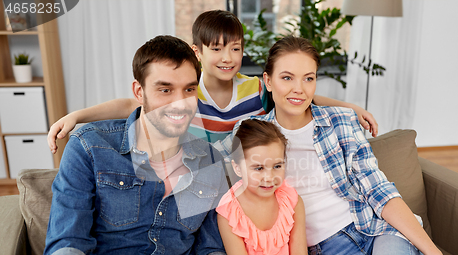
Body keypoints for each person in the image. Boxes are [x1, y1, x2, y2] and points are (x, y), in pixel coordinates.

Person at [215, 36, 458, 255]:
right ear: (267, 81)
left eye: (309, 78)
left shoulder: (341, 122)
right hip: (329, 254)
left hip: (379, 230)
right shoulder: (250, 133)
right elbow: (208, 156)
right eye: (287, 78)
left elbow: (381, 194)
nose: (299, 89)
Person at [13, 35, 251, 255]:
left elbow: (210, 250)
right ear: (139, 92)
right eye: (165, 90)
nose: (180, 103)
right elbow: (67, 248)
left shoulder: (211, 160)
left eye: (188, 90)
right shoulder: (90, 148)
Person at [46, 10, 378, 154]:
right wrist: (76, 116)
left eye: (235, 49)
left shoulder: (255, 88)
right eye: (216, 49)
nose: (227, 58)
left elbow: (300, 94)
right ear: (198, 52)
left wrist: (351, 107)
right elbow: (129, 103)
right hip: (201, 179)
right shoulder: (188, 91)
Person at [216, 119, 334, 255]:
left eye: (277, 166)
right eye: (258, 168)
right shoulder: (228, 212)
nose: (269, 177)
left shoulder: (292, 200)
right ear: (237, 168)